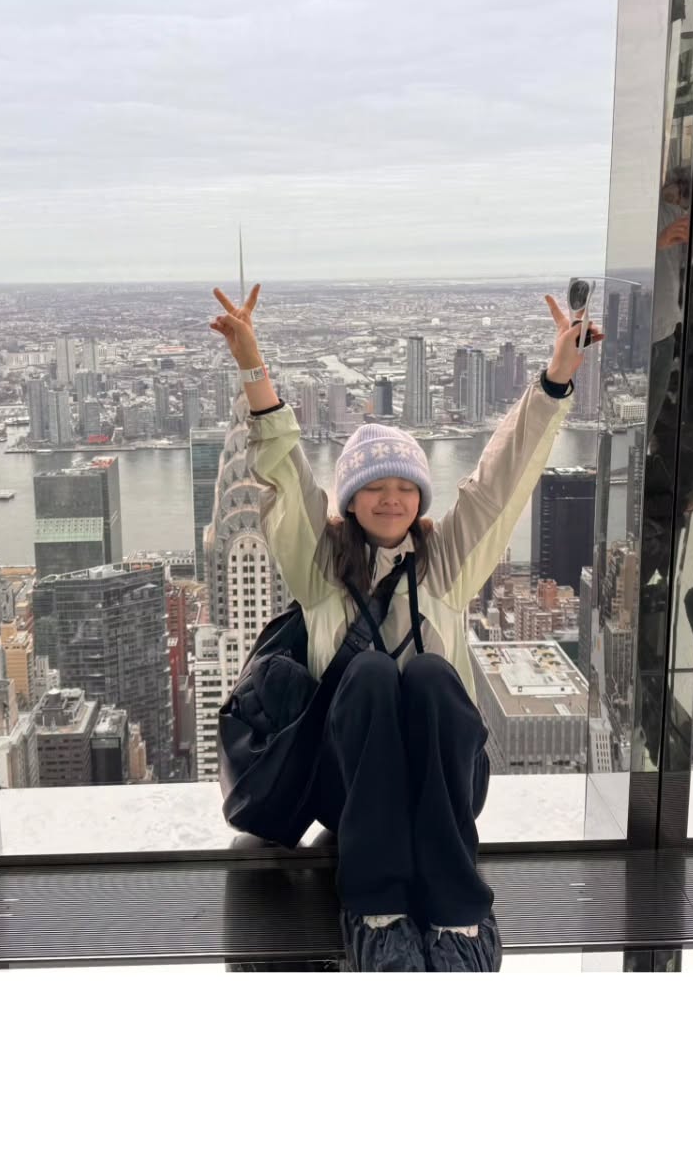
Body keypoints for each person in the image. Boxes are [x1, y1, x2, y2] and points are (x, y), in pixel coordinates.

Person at [210, 283, 601, 972]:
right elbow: (286, 473)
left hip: (443, 783)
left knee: (428, 675)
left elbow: (500, 484)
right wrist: (253, 367)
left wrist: (554, 381)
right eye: (373, 486)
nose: (390, 498)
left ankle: (459, 917)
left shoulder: (444, 564)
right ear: (349, 498)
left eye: (404, 486)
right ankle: (377, 911)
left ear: (420, 497)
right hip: (348, 788)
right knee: (365, 674)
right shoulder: (320, 568)